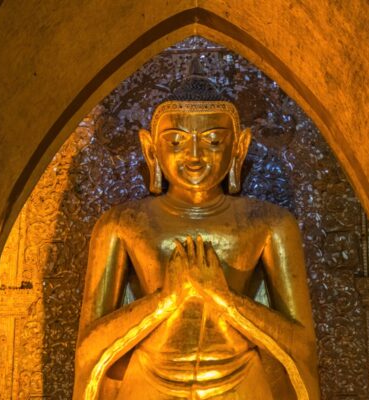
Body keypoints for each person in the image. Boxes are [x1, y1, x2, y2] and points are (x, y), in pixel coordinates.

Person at [73, 59, 319, 400]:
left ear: (239, 147)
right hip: (147, 382)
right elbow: (89, 348)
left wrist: (224, 298)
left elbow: (302, 346)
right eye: (175, 143)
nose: (194, 156)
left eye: (214, 142)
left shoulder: (269, 223)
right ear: (150, 148)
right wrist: (164, 300)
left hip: (240, 382)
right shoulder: (122, 224)